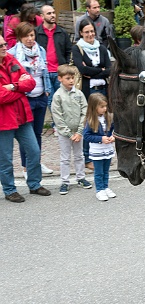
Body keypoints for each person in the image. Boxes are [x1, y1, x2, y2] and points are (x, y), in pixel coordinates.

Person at [0, 36, 51, 203]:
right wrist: (19, 89)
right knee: (5, 158)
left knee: (34, 150)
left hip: (21, 116)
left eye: (5, 44)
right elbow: (1, 96)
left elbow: (30, 83)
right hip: (3, 121)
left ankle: (34, 184)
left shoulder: (10, 59)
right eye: (1, 45)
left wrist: (14, 87)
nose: (4, 47)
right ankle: (9, 190)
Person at [8, 22, 53, 178]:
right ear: (20, 37)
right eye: (26, 36)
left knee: (38, 133)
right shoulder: (13, 53)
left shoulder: (40, 50)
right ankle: (27, 167)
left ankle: (37, 163)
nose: (30, 39)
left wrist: (47, 91)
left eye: (32, 35)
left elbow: (44, 72)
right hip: (25, 98)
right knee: (26, 135)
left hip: (40, 96)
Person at [73, 19, 112, 170]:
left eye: (92, 31)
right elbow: (83, 71)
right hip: (88, 92)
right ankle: (87, 157)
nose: (90, 34)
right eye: (86, 32)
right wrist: (100, 71)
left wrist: (95, 71)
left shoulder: (101, 48)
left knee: (103, 121)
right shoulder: (77, 49)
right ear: (81, 33)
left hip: (102, 90)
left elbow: (109, 69)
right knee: (89, 123)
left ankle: (102, 152)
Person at [51, 64, 93, 195]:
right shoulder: (57, 96)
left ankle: (81, 178)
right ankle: (65, 181)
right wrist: (69, 133)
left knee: (79, 155)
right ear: (60, 79)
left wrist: (80, 131)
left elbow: (84, 112)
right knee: (65, 158)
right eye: (68, 78)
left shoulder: (79, 94)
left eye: (72, 78)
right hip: (65, 134)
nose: (71, 81)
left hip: (78, 132)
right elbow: (57, 117)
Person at [35, 5, 73, 116]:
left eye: (53, 13)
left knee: (64, 99)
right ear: (42, 16)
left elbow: (68, 50)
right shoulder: (37, 32)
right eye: (49, 13)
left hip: (60, 71)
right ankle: (57, 124)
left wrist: (65, 65)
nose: (52, 15)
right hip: (45, 72)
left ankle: (65, 122)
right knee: (51, 101)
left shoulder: (62, 31)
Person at [83, 93, 116, 201]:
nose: (105, 109)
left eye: (105, 106)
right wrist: (100, 139)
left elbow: (113, 130)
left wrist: (112, 137)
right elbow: (87, 136)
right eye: (102, 107)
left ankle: (106, 187)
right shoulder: (90, 120)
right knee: (99, 171)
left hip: (107, 149)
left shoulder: (108, 117)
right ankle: (99, 190)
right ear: (94, 107)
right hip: (97, 150)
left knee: (106, 170)